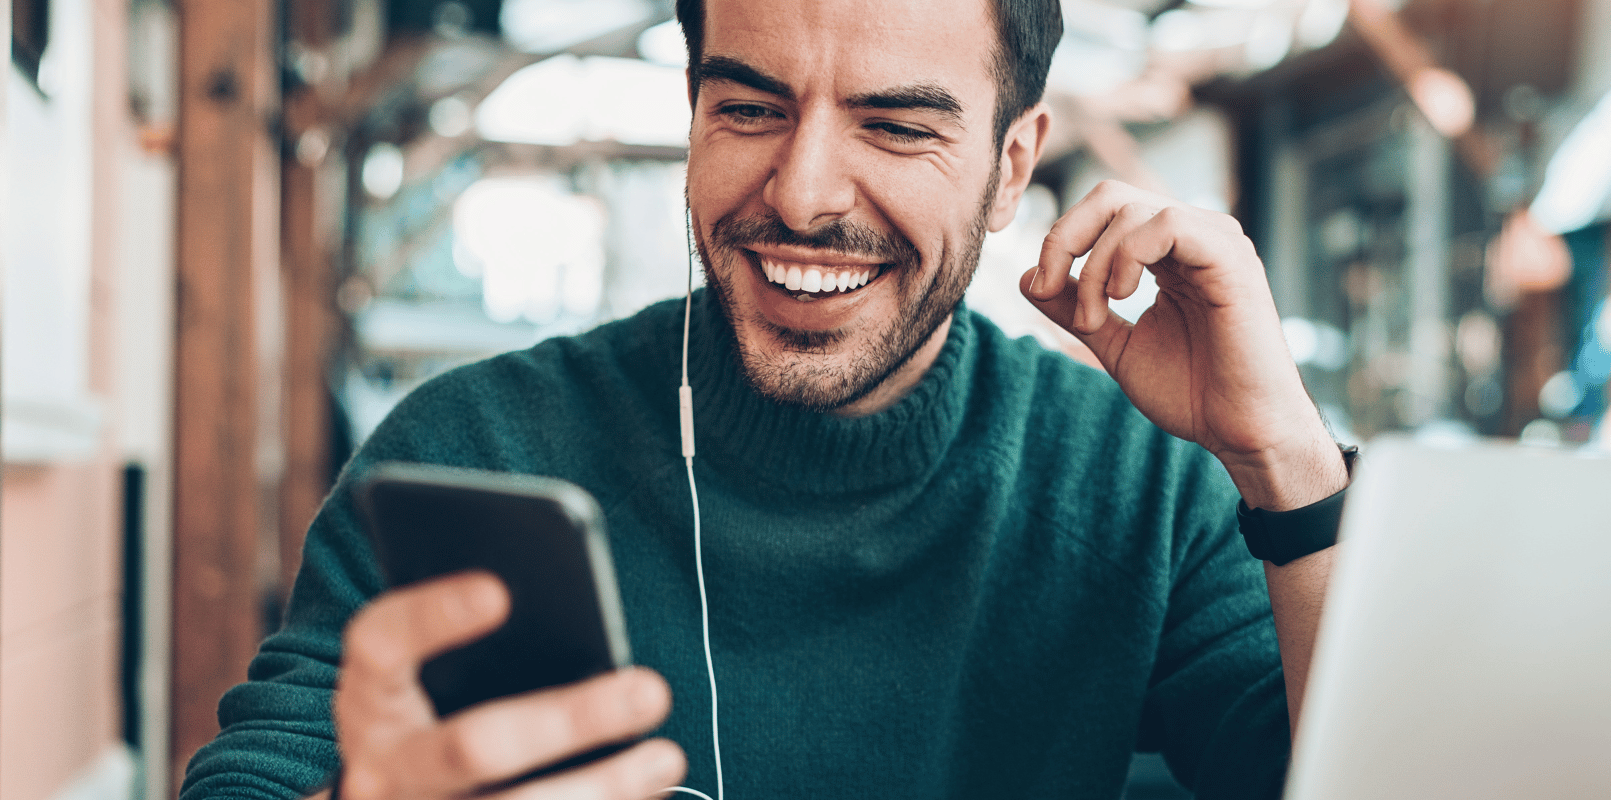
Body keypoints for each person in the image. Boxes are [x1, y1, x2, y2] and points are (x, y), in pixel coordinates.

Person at [179, 0, 1349, 797]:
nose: (801, 193)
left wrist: (1286, 463)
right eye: (747, 108)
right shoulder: (473, 446)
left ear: (1009, 165)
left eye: (894, 125)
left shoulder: (1139, 484)